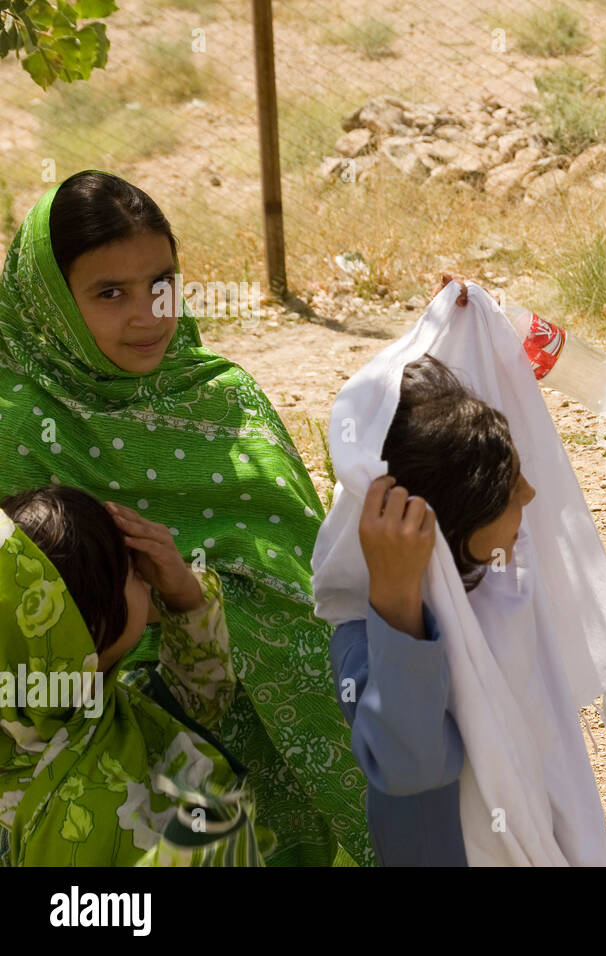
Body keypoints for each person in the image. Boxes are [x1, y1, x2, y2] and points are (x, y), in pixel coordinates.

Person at [0, 171, 369, 865]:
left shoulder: (226, 402)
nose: (148, 315)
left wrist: (191, 595)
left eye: (161, 283)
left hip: (256, 739)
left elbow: (306, 584)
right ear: (49, 303)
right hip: (74, 766)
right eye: (110, 294)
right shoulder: (14, 430)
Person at [313, 283, 606, 866]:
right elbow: (412, 765)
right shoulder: (364, 638)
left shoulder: (496, 577)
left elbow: (459, 427)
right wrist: (398, 606)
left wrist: (464, 324)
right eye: (507, 493)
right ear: (446, 528)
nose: (530, 494)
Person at [0, 485, 268, 866]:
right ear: (88, 631)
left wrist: (185, 594)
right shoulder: (95, 756)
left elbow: (195, 698)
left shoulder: (83, 708)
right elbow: (199, 702)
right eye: (130, 570)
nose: (145, 574)